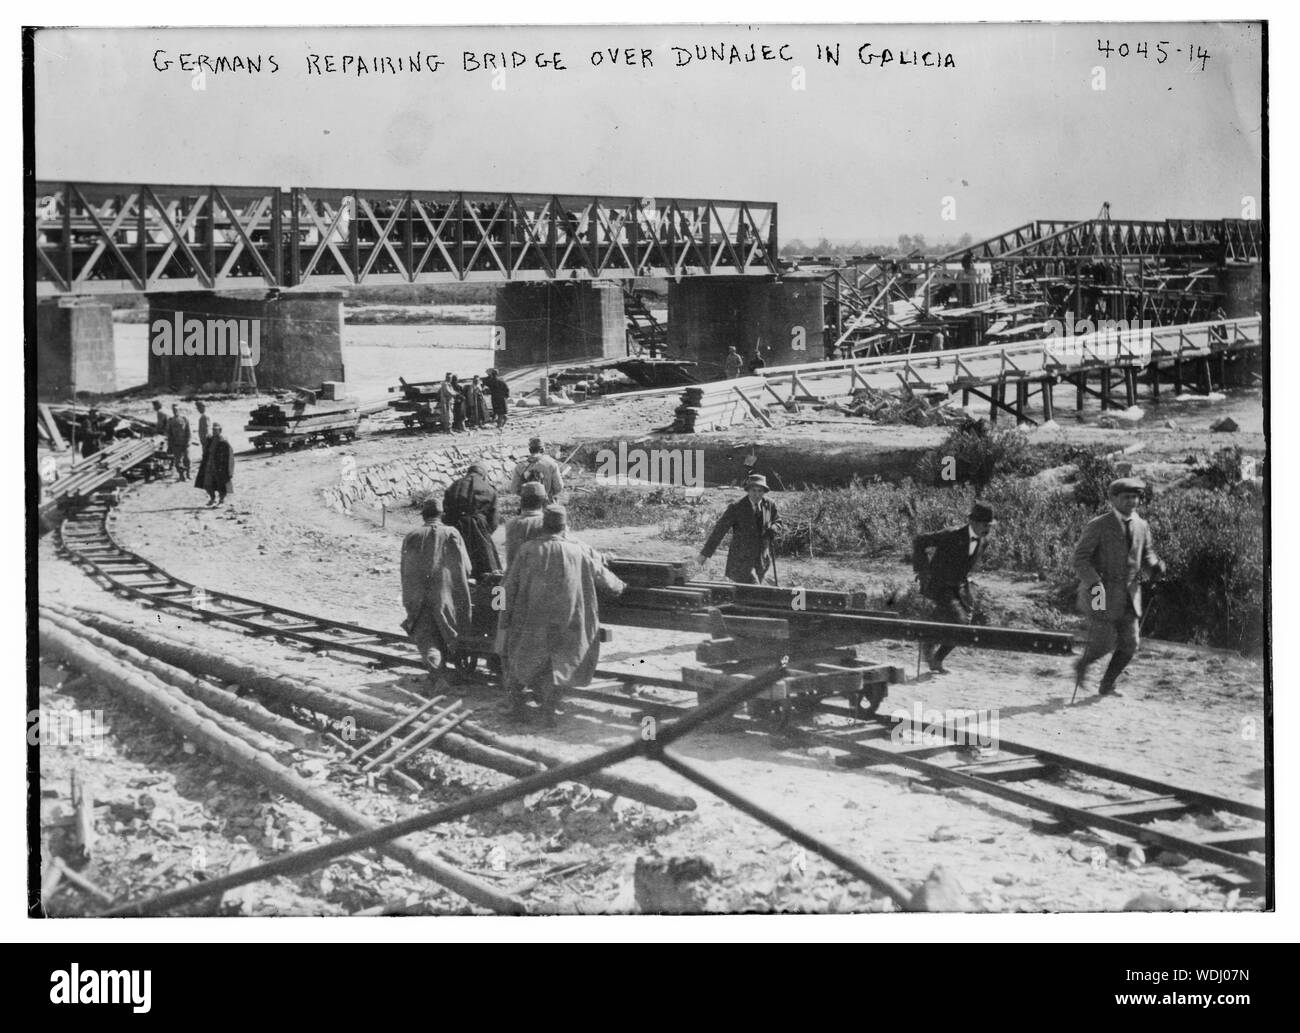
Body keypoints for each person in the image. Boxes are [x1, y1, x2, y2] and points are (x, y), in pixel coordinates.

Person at [498, 505, 626, 725]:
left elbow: (509, 585)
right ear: (564, 526)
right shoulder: (577, 551)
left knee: (523, 657)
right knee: (557, 662)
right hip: (567, 617)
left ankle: (517, 706)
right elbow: (604, 577)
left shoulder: (528, 550)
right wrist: (620, 586)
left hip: (533, 617)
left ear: (543, 526)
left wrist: (502, 613)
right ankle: (548, 709)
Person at [1071, 478, 1165, 698]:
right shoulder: (1099, 525)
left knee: (1131, 644)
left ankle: (1107, 684)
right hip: (1099, 593)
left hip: (1130, 595)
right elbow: (1080, 559)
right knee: (1103, 643)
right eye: (1126, 497)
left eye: (1135, 497)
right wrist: (1095, 582)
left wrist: (1155, 566)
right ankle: (1082, 665)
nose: (1131, 501)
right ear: (1113, 499)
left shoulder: (1142, 525)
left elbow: (1147, 553)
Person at [912, 501, 995, 674]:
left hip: (960, 586)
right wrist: (923, 570)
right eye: (984, 524)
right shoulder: (951, 534)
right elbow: (919, 541)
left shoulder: (984, 541)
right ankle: (934, 656)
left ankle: (930, 646)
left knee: (962, 622)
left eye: (990, 525)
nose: (987, 528)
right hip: (939, 584)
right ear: (973, 522)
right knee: (959, 622)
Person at [400, 497, 472, 681]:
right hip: (447, 597)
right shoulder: (452, 533)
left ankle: (438, 677)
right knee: (448, 631)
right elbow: (467, 567)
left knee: (428, 639)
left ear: (423, 515)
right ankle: (441, 678)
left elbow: (404, 570)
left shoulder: (412, 536)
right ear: (442, 515)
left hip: (419, 599)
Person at [696, 474, 781, 584]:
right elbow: (719, 531)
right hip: (741, 559)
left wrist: (774, 528)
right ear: (748, 491)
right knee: (753, 586)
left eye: (760, 491)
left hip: (761, 557)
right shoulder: (737, 507)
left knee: (757, 589)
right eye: (753, 491)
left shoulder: (769, 504)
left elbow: (778, 521)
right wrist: (704, 555)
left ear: (764, 491)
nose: (756, 494)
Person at [442, 462, 501, 578]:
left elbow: (446, 513)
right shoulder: (489, 489)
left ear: (468, 472)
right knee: (488, 571)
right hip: (480, 530)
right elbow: (494, 521)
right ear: (483, 475)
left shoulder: (453, 487)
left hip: (456, 528)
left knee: (455, 568)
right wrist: (486, 533)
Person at [504, 482, 548, 566]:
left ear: (522, 501)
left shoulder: (511, 524)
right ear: (544, 501)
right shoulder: (548, 524)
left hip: (516, 576)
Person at [194, 422, 234, 505]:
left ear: (220, 430)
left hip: (220, 467)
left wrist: (230, 470)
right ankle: (212, 499)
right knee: (207, 484)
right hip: (209, 465)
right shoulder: (210, 440)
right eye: (213, 430)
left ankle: (221, 500)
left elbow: (230, 457)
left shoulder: (224, 442)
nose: (214, 431)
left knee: (221, 485)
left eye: (216, 430)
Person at [166, 403, 192, 481]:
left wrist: (188, 441)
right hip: (176, 444)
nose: (175, 411)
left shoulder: (184, 419)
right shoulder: (170, 420)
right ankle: (181, 475)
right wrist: (169, 445)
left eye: (176, 410)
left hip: (184, 443)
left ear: (179, 410)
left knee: (187, 459)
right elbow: (169, 434)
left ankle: (188, 473)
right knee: (178, 461)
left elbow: (188, 431)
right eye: (173, 410)